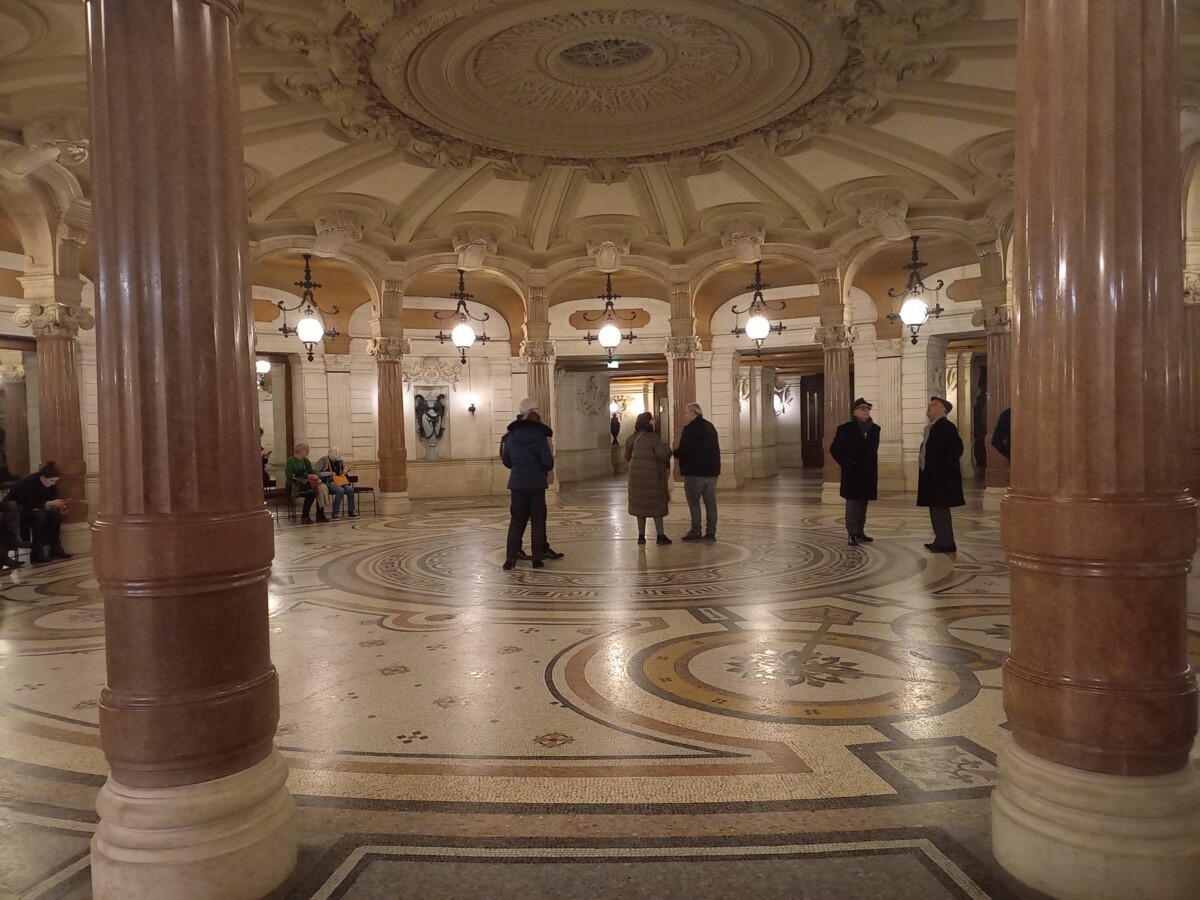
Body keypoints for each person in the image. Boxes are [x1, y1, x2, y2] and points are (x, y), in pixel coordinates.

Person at [501, 398, 555, 569]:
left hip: (517, 484)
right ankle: (537, 559)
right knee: (537, 521)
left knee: (516, 521)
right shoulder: (540, 437)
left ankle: (510, 559)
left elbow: (507, 461)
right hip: (537, 484)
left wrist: (518, 466)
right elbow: (548, 464)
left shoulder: (510, 437)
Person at [830, 397, 881, 546]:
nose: (866, 411)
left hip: (868, 472)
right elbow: (834, 449)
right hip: (852, 473)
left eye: (868, 408)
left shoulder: (875, 429)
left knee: (863, 503)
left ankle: (860, 531)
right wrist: (846, 464)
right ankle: (852, 532)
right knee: (852, 504)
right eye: (863, 409)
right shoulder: (845, 429)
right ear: (855, 412)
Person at [917, 396, 964, 553]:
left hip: (941, 478)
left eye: (934, 404)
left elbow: (957, 449)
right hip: (934, 477)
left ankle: (946, 542)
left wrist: (942, 469)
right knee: (936, 509)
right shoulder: (933, 427)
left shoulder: (945, 426)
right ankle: (941, 539)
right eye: (930, 404)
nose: (929, 406)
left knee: (940, 510)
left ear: (944, 409)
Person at [3, 460, 71, 564]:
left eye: (55, 481)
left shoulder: (50, 485)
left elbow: (48, 500)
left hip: (34, 509)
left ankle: (55, 547)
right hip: (18, 510)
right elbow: (27, 502)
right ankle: (36, 551)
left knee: (55, 514)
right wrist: (49, 503)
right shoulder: (29, 482)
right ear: (43, 477)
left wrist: (58, 506)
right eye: (51, 481)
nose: (53, 484)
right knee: (41, 516)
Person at [672, 401, 720, 541]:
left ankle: (696, 531)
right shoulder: (710, 427)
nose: (685, 416)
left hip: (695, 473)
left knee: (694, 503)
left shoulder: (690, 429)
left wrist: (674, 453)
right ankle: (711, 533)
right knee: (711, 504)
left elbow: (685, 450)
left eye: (686, 413)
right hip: (711, 473)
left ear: (694, 413)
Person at [625, 411, 672, 545]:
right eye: (652, 420)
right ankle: (660, 535)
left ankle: (641, 536)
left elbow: (627, 457)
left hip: (636, 479)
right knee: (657, 507)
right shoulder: (654, 438)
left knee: (640, 507)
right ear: (648, 422)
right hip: (653, 479)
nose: (654, 422)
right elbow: (662, 455)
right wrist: (668, 449)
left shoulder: (632, 438)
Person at [285, 442, 328, 524]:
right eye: (306, 451)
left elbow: (312, 471)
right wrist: (305, 476)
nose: (308, 452)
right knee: (311, 493)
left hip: (306, 484)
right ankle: (305, 517)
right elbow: (289, 475)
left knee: (319, 491)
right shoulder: (291, 460)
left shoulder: (306, 461)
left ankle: (320, 516)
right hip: (295, 485)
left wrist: (315, 476)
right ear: (300, 451)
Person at [316, 447, 358, 519]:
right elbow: (317, 473)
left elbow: (344, 467)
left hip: (339, 481)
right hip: (328, 482)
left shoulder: (340, 460)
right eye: (335, 459)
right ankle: (335, 513)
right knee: (340, 490)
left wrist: (345, 470)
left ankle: (351, 512)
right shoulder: (323, 461)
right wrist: (329, 473)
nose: (336, 460)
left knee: (350, 489)